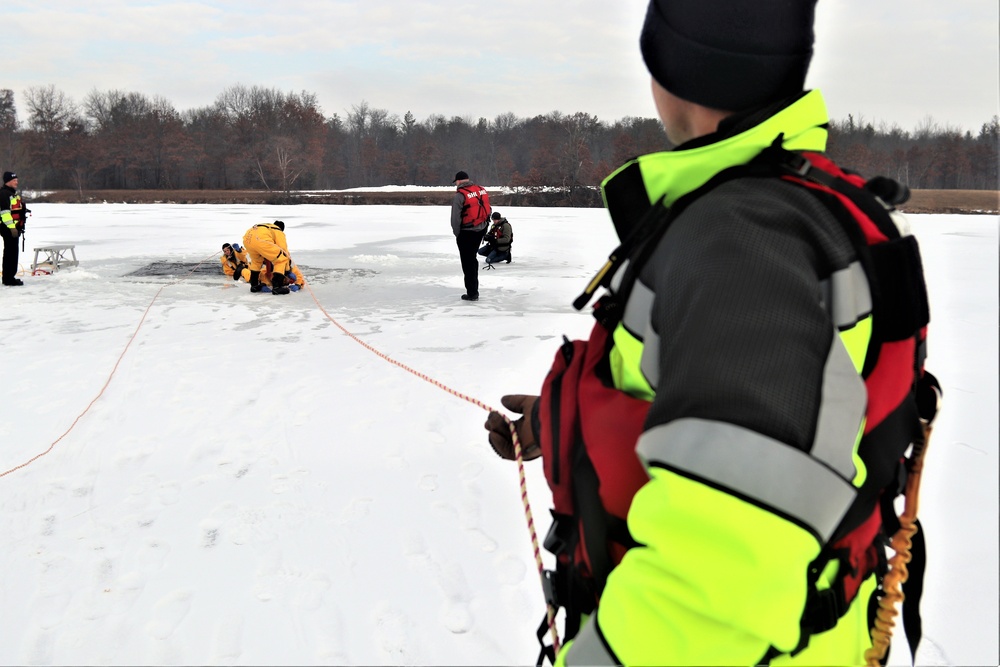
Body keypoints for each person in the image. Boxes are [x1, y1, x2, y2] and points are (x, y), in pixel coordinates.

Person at [484, 2, 936, 665]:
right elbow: (768, 417)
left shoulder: (744, 241)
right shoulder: (785, 208)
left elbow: (721, 578)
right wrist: (560, 423)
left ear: (669, 65)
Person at [450, 170, 490, 300]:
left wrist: (457, 234)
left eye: (455, 181)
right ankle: (474, 289)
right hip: (481, 229)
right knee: (472, 259)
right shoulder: (480, 190)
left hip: (467, 233)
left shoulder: (459, 196)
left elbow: (455, 218)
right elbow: (488, 209)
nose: (455, 184)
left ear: (459, 181)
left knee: (467, 262)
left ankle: (472, 293)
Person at [241, 220, 292, 295]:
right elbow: (283, 249)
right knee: (281, 260)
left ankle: (254, 285)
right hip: (261, 241)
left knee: (256, 261)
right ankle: (277, 287)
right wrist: (287, 270)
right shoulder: (278, 230)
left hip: (247, 240)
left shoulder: (266, 227)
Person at [1, 171, 28, 286]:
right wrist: (12, 228)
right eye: (14, 180)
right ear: (8, 181)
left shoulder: (12, 193)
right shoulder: (4, 194)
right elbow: (5, 213)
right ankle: (8, 278)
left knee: (12, 252)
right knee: (10, 253)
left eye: (17, 180)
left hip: (15, 228)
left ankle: (10, 276)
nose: (17, 182)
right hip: (8, 228)